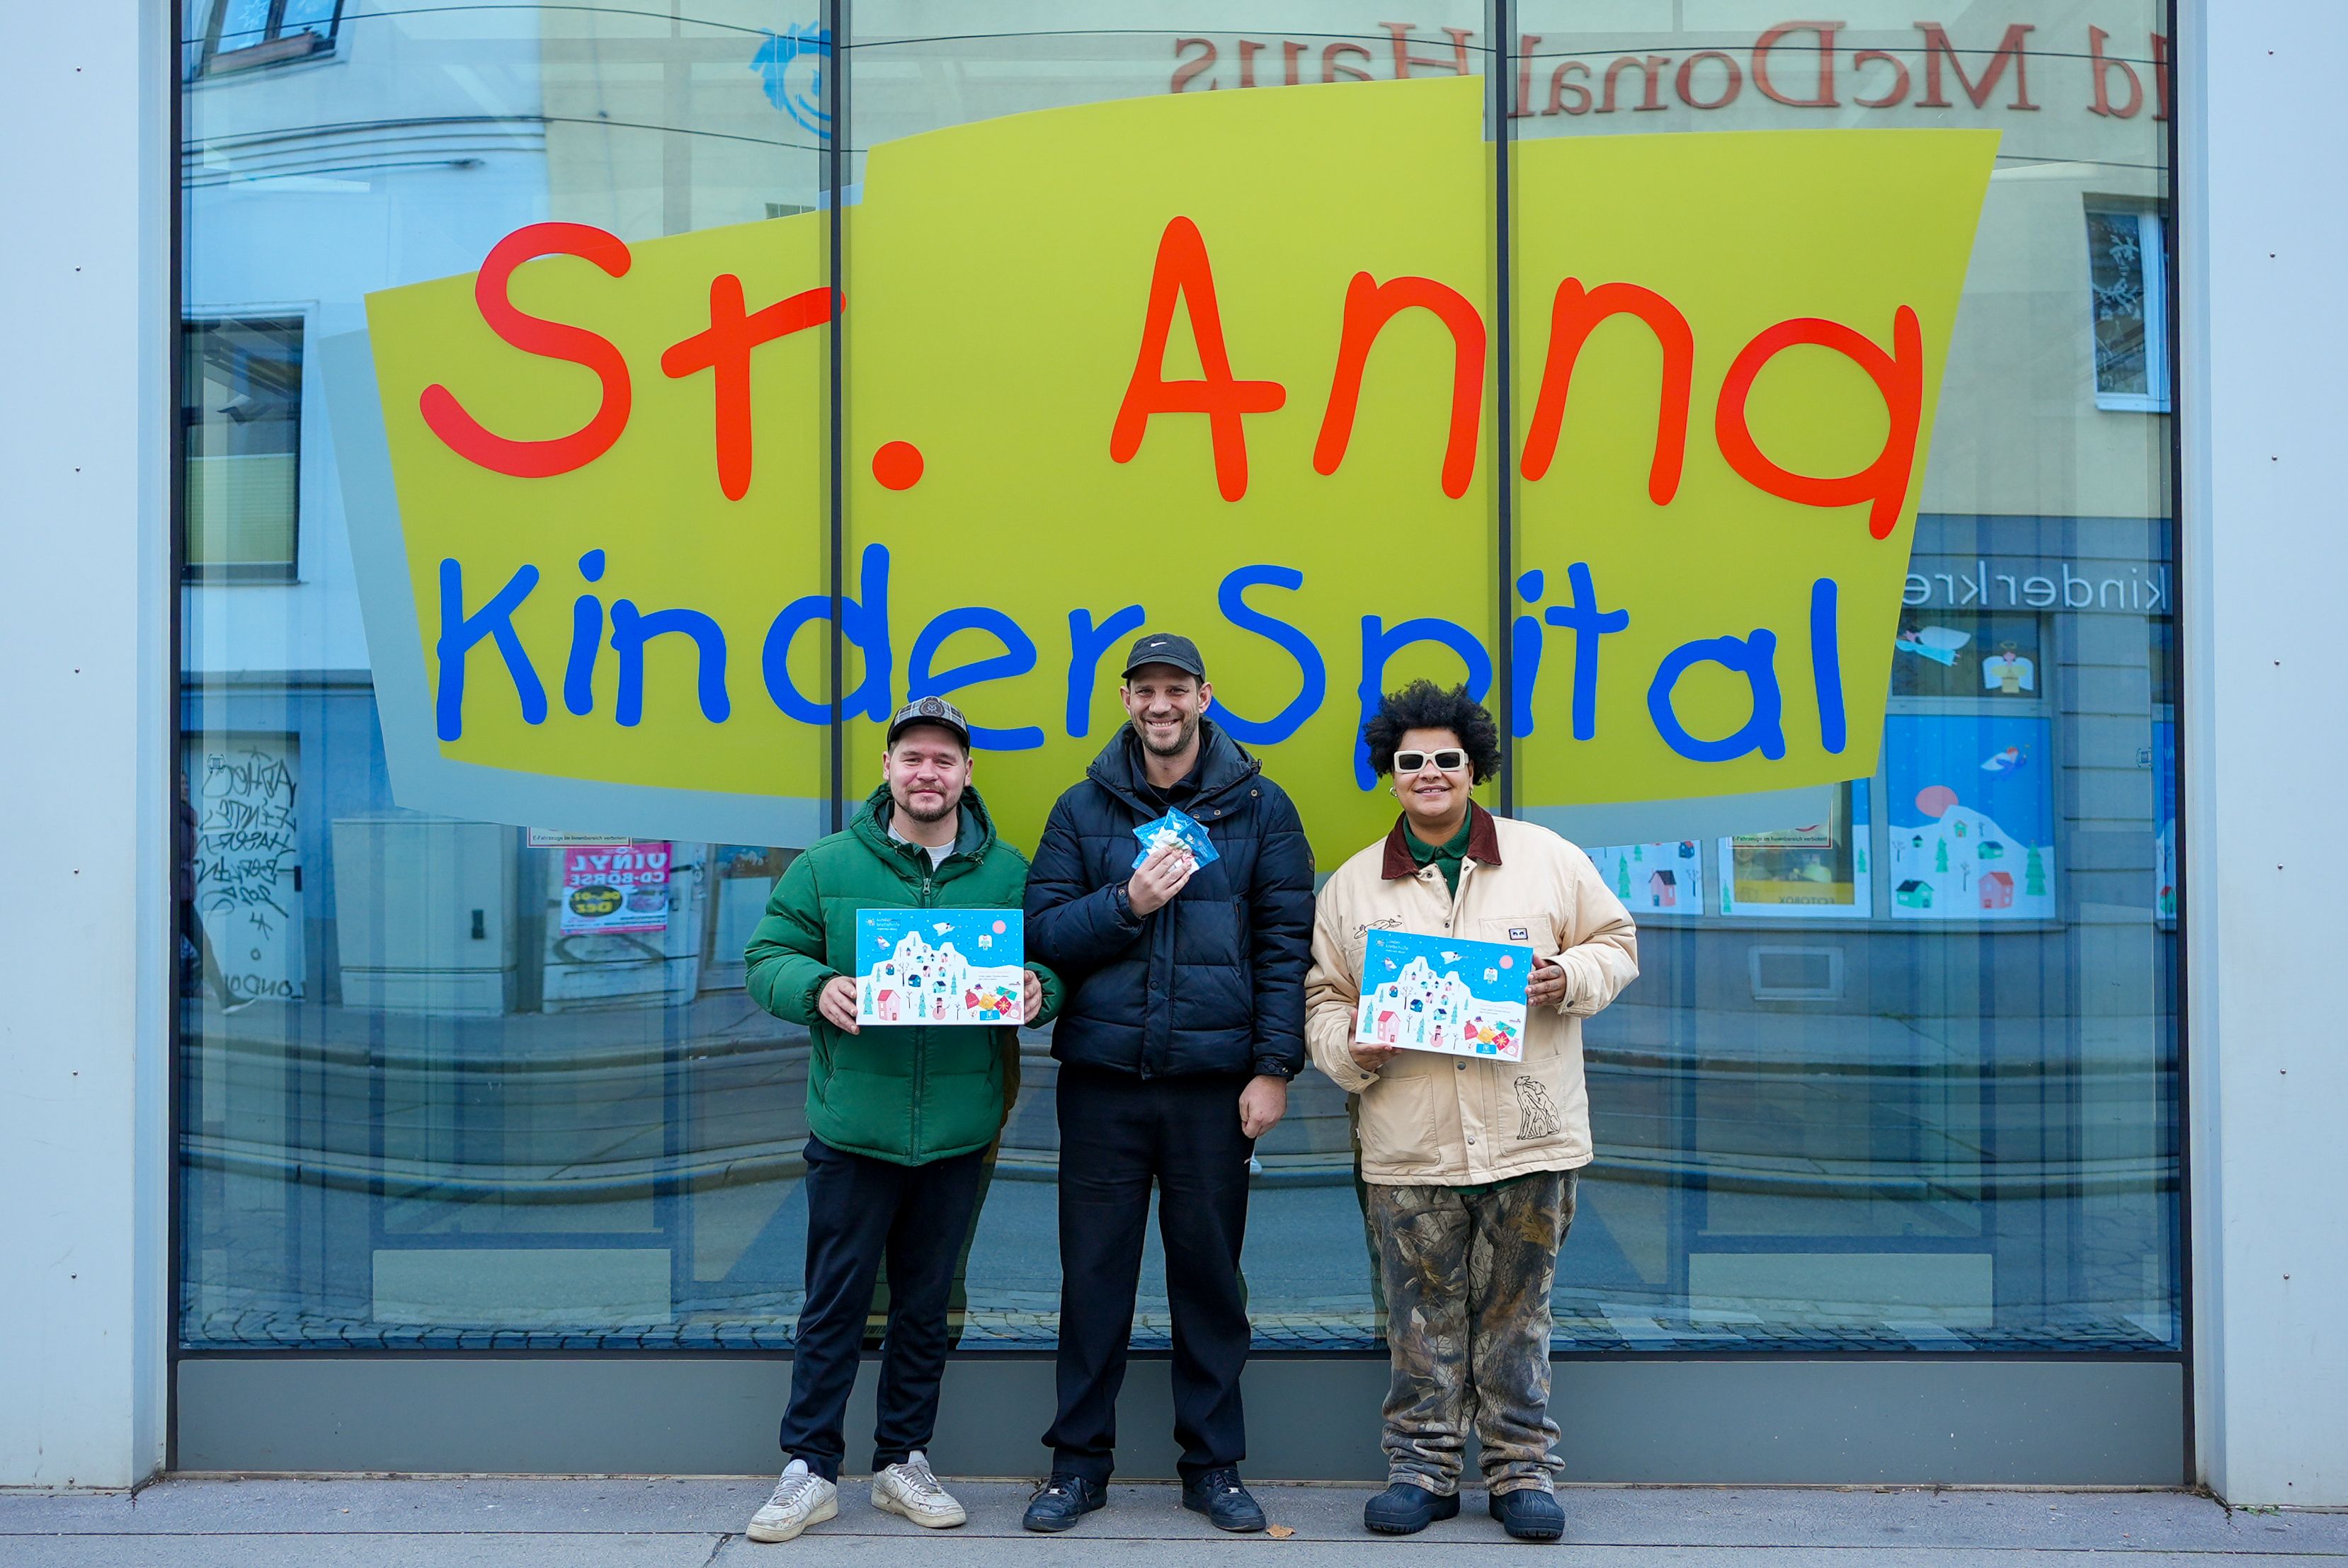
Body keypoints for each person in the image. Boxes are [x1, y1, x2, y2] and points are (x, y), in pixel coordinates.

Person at [1304, 680, 1638, 1543]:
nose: (1429, 772)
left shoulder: (1546, 857)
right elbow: (1323, 999)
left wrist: (1569, 977)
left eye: (1446, 758)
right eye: (1410, 759)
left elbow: (1616, 942)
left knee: (1518, 1313)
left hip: (1529, 1133)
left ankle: (1520, 1469)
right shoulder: (1350, 887)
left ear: (1473, 767)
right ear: (1389, 773)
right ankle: (1422, 1469)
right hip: (1408, 1140)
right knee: (1418, 1315)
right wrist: (1353, 1046)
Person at [740, 696, 1064, 1544]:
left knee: (925, 1305)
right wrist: (817, 987)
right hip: (854, 1125)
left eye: (943, 760)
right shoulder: (826, 865)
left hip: (958, 1128)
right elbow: (767, 956)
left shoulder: (1009, 873)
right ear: (887, 768)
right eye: (912, 757)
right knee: (834, 1303)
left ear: (966, 773)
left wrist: (1040, 988)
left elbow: (1053, 960)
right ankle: (808, 1467)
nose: (927, 773)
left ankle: (901, 1461)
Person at [1019, 632, 1315, 1534]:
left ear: (1203, 697)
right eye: (1145, 689)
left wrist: (1272, 1067)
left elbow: (1284, 948)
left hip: (1213, 1087)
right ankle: (1076, 1466)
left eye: (1175, 689)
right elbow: (1041, 931)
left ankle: (1213, 1466)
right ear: (1125, 699)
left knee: (1210, 1282)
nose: (1160, 704)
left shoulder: (1261, 807)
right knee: (1092, 1280)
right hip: (1102, 1082)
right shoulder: (1081, 808)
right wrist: (1128, 903)